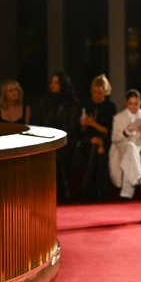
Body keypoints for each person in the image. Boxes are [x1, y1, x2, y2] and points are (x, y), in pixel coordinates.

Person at [34, 72, 81, 202]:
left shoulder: (72, 103)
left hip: (65, 140)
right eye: (52, 82)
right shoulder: (44, 102)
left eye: (56, 82)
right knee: (49, 153)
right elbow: (38, 122)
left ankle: (64, 193)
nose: (53, 85)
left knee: (58, 154)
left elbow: (72, 126)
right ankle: (57, 193)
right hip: (45, 139)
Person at [109, 89, 141, 200]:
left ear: (140, 103)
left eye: (136, 104)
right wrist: (126, 131)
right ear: (126, 103)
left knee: (131, 148)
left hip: (138, 147)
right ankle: (139, 179)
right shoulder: (118, 118)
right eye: (130, 104)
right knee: (129, 147)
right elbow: (114, 139)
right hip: (120, 147)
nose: (133, 107)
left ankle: (127, 192)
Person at [79, 74, 117, 200]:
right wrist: (84, 124)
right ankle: (100, 188)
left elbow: (108, 130)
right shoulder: (86, 104)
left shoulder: (110, 107)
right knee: (96, 145)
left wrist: (93, 124)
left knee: (99, 146)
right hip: (88, 138)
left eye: (99, 93)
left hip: (104, 137)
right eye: (94, 92)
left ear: (105, 92)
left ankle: (87, 184)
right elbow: (82, 130)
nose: (96, 95)